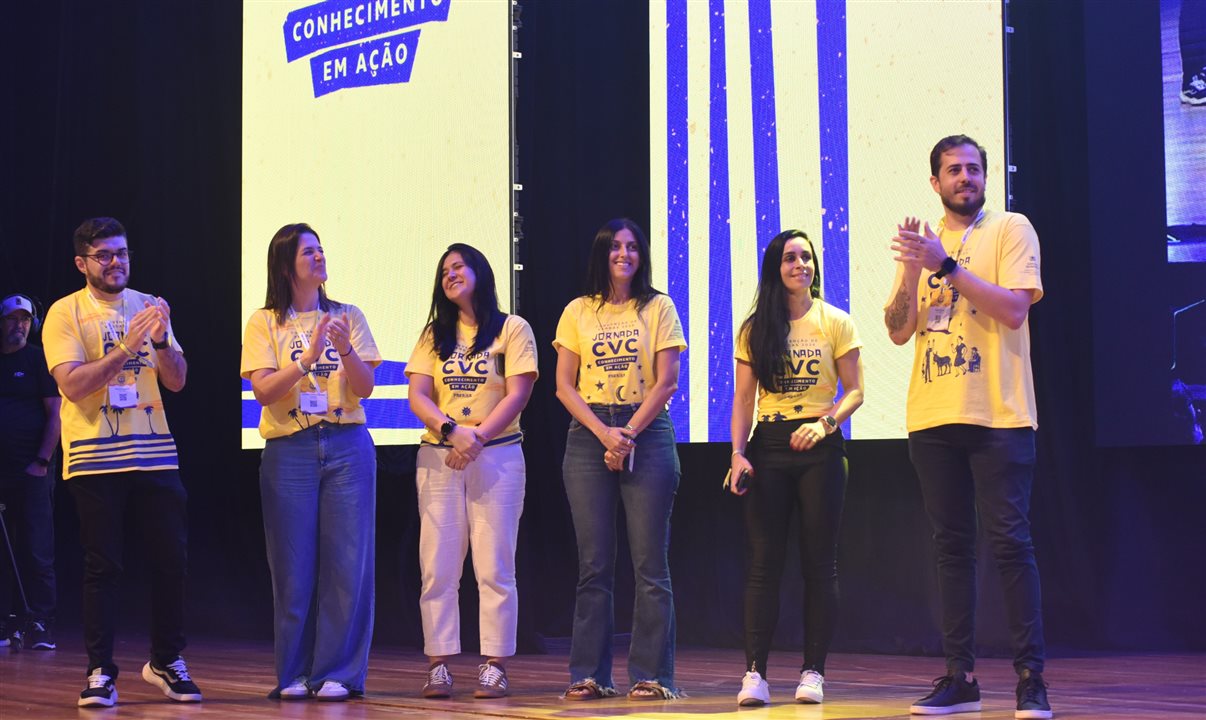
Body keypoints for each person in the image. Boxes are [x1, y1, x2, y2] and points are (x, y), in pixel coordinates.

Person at [884, 135, 1051, 719]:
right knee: (951, 549)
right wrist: (912, 270)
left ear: (985, 176)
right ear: (935, 182)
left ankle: (1031, 679)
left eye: (973, 168)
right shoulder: (925, 244)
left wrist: (946, 266)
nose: (965, 177)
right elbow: (898, 331)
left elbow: (1014, 309)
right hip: (933, 417)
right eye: (953, 170)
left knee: (1010, 543)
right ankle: (960, 678)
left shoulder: (1010, 228)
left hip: (1000, 415)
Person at [42, 217, 200, 707]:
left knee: (171, 559)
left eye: (122, 253)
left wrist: (160, 340)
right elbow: (73, 385)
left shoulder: (149, 305)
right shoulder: (65, 312)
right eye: (105, 255)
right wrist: (128, 345)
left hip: (154, 452)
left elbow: (177, 380)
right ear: (82, 263)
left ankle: (166, 661)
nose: (116, 262)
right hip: (95, 456)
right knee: (103, 567)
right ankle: (100, 672)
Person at [240, 223, 380, 702]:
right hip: (290, 449)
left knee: (348, 562)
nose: (319, 257)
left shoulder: (347, 315)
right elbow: (263, 391)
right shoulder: (265, 322)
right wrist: (307, 359)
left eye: (321, 250)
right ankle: (294, 674)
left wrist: (343, 348)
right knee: (292, 564)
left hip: (347, 444)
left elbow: (365, 388)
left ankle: (339, 672)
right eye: (308, 252)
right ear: (286, 266)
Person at [728, 230, 864, 706]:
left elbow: (855, 391)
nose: (800, 264)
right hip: (768, 447)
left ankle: (813, 672)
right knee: (763, 565)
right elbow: (743, 398)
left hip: (821, 450)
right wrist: (738, 453)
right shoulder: (755, 328)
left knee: (819, 564)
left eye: (806, 256)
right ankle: (755, 674)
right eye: (790, 257)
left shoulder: (835, 320)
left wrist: (824, 425)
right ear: (776, 267)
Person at [553, 218, 685, 701]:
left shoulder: (659, 306)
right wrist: (604, 433)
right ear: (602, 254)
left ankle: (653, 676)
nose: (623, 254)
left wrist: (626, 433)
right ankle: (590, 674)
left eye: (631, 247)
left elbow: (667, 381)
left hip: (645, 431)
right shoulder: (577, 311)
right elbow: (563, 385)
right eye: (614, 247)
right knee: (594, 564)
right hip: (590, 433)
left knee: (650, 563)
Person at [405, 243, 538, 700]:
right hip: (440, 456)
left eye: (459, 266)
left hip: (496, 456)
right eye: (444, 270)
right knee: (437, 567)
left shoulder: (512, 329)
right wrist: (451, 431)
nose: (450, 274)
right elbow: (418, 395)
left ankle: (494, 665)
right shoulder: (434, 334)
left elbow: (518, 394)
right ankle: (439, 664)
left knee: (494, 565)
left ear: (480, 271)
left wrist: (475, 438)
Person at [0, 294, 60, 650]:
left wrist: (41, 461)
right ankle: (8, 622)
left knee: (37, 547)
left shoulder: (38, 360)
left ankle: (41, 621)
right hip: (2, 473)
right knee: (4, 550)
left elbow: (55, 415)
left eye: (25, 320)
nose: (19, 325)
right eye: (12, 319)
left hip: (33, 470)